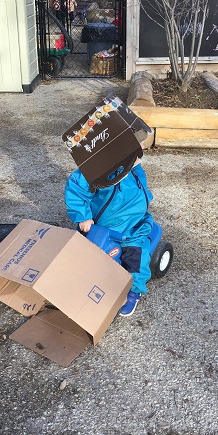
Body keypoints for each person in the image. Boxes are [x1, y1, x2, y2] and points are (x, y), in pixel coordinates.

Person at [64, 130, 153, 317]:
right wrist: (83, 217)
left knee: (136, 256)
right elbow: (76, 188)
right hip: (104, 226)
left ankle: (134, 291)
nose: (143, 148)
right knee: (81, 250)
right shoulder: (102, 171)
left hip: (134, 226)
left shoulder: (134, 167)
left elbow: (140, 188)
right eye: (138, 147)